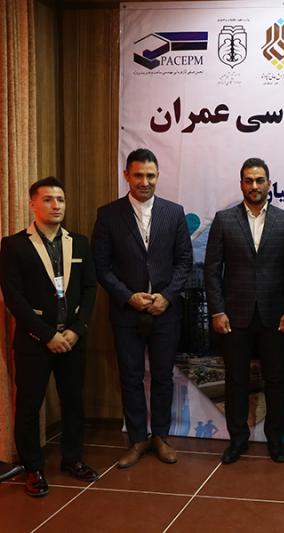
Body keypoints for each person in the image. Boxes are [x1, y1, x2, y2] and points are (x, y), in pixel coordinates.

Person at [92, 148, 192, 468]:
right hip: (127, 312)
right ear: (127, 176)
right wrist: (127, 297)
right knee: (131, 377)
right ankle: (137, 439)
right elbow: (101, 266)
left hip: (165, 311)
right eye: (138, 175)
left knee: (162, 377)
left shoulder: (174, 213)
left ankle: (160, 436)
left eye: (150, 175)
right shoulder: (108, 215)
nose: (144, 181)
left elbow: (184, 262)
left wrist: (167, 296)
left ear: (158, 176)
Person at [0, 177, 98, 496]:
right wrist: (46, 335)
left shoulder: (79, 243)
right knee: (29, 406)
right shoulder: (14, 245)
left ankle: (72, 459)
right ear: (33, 204)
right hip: (34, 342)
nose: (56, 205)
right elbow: (13, 297)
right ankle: (33, 468)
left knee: (73, 402)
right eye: (48, 199)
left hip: (72, 339)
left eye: (61, 199)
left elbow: (90, 288)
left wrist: (76, 330)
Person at [203, 157, 284, 464]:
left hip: (275, 315)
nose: (254, 186)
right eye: (249, 180)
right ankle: (237, 439)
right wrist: (217, 311)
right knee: (236, 380)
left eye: (260, 180)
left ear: (269, 183)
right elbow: (211, 269)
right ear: (241, 184)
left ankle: (276, 440)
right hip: (234, 316)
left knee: (276, 380)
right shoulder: (224, 220)